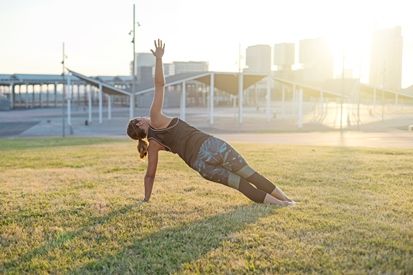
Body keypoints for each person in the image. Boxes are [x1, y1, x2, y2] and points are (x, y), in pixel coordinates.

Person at [127, 39, 295, 206]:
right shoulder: (155, 118)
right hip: (211, 146)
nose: (141, 117)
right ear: (140, 124)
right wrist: (158, 59)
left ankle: (284, 204)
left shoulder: (153, 145)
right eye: (138, 118)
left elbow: (150, 175)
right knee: (250, 175)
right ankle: (287, 200)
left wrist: (146, 199)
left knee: (241, 185)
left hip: (200, 165)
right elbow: (160, 85)